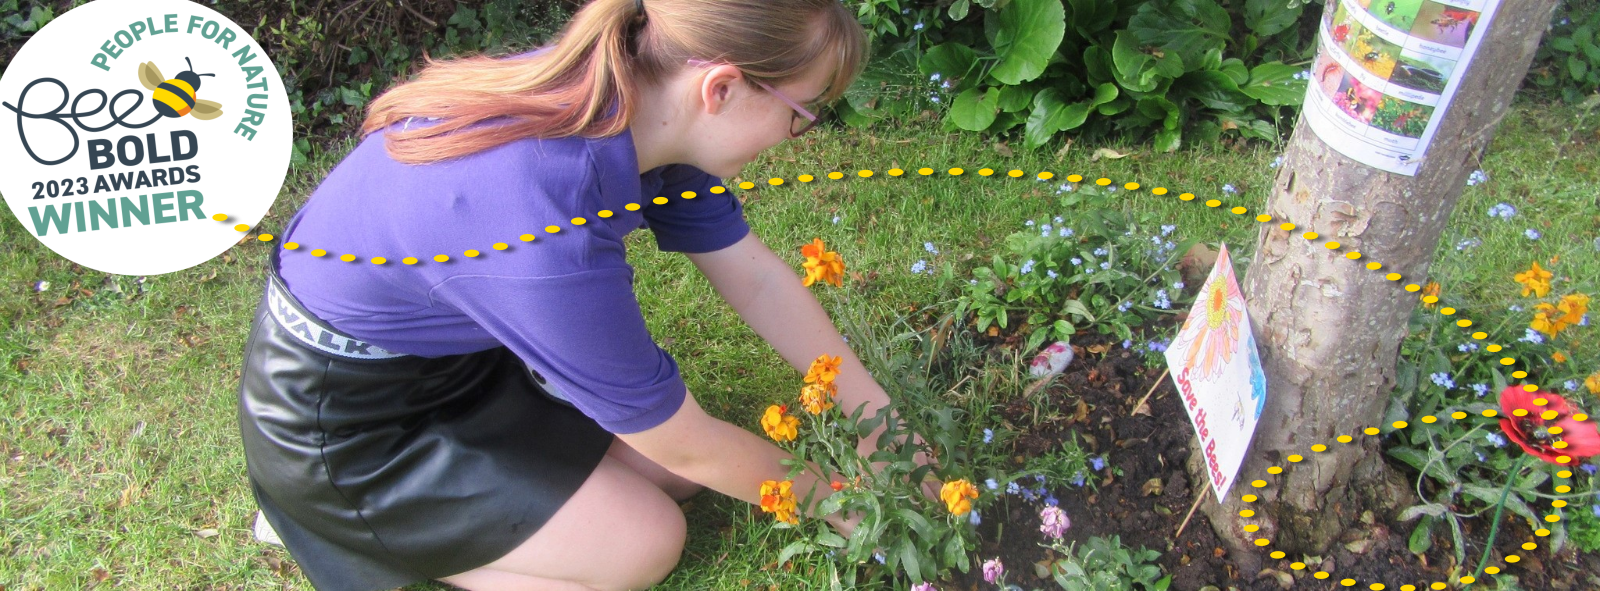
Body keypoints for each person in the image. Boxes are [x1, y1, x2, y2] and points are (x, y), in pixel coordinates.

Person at [235, 1, 937, 590]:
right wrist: (851, 503)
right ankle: (349, 526)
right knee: (645, 539)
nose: (799, 135)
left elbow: (753, 276)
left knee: (674, 481)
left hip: (461, 361)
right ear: (719, 88)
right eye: (803, 112)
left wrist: (880, 418)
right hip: (350, 426)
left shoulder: (638, 96)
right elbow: (684, 443)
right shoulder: (541, 214)